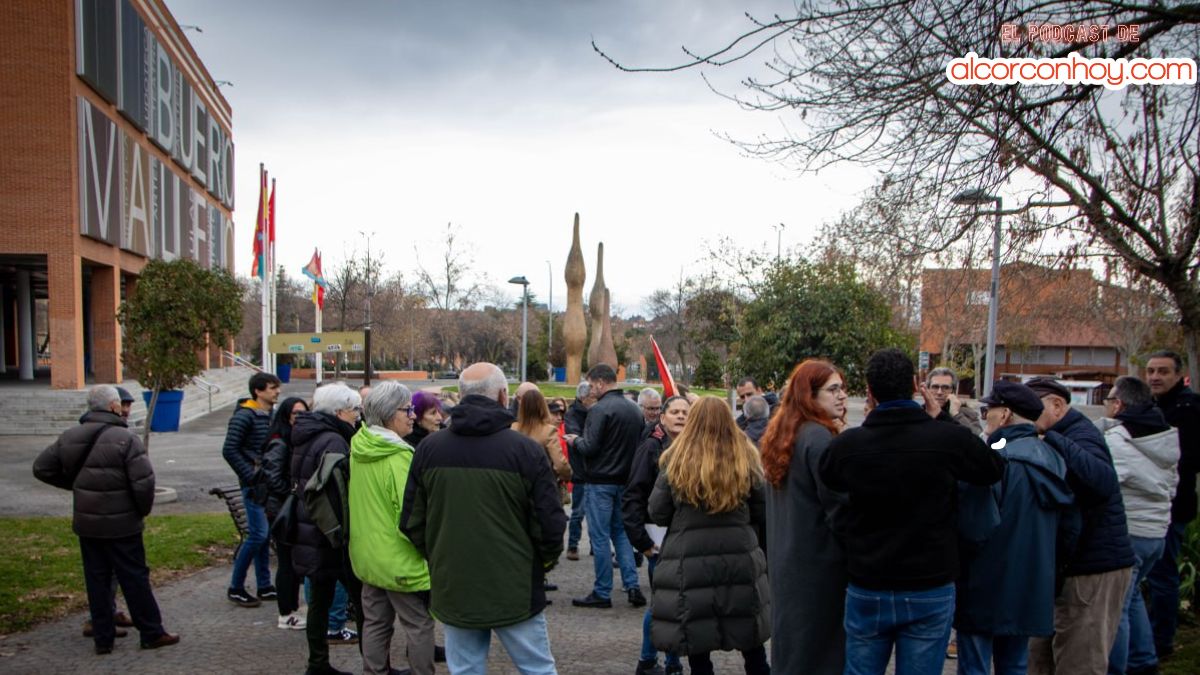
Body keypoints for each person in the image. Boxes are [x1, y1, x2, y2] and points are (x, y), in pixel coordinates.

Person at [819, 348, 1005, 675]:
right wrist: (942, 418)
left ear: (870, 392)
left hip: (869, 581)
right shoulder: (948, 439)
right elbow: (991, 468)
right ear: (917, 384)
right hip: (929, 584)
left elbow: (829, 480)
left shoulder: (847, 447)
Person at [400, 362, 566, 674]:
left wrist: (439, 557)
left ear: (461, 397)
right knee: (537, 668)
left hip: (455, 583)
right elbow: (550, 524)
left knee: (465, 669)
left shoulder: (429, 449)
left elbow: (411, 522)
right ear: (504, 396)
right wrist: (539, 562)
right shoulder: (525, 451)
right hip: (514, 585)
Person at [33, 385, 179, 655]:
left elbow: (42, 468)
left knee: (96, 579)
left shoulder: (70, 436)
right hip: (123, 524)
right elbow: (143, 483)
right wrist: (140, 510)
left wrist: (76, 485)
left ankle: (103, 637)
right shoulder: (126, 439)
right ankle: (151, 632)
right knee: (134, 577)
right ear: (113, 406)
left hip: (88, 524)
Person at [954, 381, 1073, 675]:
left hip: (985, 582)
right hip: (1031, 584)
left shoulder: (996, 456)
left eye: (988, 410)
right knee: (1016, 664)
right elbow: (1070, 526)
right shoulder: (1053, 458)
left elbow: (973, 524)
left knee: (975, 666)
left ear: (1005, 414)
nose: (985, 416)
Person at [649, 396, 771, 675]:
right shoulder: (747, 457)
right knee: (752, 644)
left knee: (697, 647)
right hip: (739, 558)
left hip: (689, 564)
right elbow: (763, 509)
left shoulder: (676, 459)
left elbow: (657, 512)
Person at [1026, 375, 1135, 675]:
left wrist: (1052, 438)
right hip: (1065, 568)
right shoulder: (1049, 434)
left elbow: (1102, 482)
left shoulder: (1080, 435)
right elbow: (994, 450)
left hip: (1092, 570)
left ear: (1057, 406)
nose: (1025, 419)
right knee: (1038, 659)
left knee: (1080, 662)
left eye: (1030, 411)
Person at [760, 359, 848, 675]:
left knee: (794, 654)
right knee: (817, 655)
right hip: (819, 568)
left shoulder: (784, 434)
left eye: (843, 388)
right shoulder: (819, 439)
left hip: (788, 563)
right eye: (833, 389)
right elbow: (841, 509)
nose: (842, 396)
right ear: (809, 395)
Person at [350, 382, 436, 675]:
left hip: (367, 554)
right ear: (388, 414)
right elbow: (410, 512)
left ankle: (373, 671)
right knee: (420, 624)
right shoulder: (398, 455)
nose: (413, 415)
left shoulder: (360, 446)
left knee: (375, 621)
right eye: (407, 410)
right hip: (399, 559)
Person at [1100, 375, 1180, 675]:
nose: (1107, 405)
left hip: (1130, 532)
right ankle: (1144, 660)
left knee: (1116, 607)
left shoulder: (1120, 441)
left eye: (1109, 399)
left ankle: (1117, 667)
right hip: (1157, 532)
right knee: (1132, 598)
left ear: (1118, 404)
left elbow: (1103, 483)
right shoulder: (1164, 437)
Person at [291, 383, 364, 675]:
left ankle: (317, 663)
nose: (358, 416)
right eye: (354, 409)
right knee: (363, 603)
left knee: (319, 603)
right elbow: (341, 495)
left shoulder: (306, 435)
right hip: (331, 534)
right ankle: (375, 664)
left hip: (309, 528)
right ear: (338, 412)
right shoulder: (334, 441)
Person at [565, 364, 646, 609]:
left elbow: (590, 447)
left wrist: (575, 440)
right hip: (624, 480)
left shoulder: (600, 410)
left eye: (591, 384)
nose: (590, 389)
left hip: (600, 481)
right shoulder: (634, 409)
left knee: (599, 538)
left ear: (600, 382)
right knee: (621, 534)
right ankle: (632, 585)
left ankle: (602, 591)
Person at [623, 395, 691, 675]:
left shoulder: (692, 447)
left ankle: (672, 662)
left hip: (685, 539)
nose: (680, 416)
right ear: (662, 417)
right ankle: (648, 660)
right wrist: (643, 543)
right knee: (662, 603)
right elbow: (633, 496)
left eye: (685, 412)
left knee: (678, 604)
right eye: (674, 411)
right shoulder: (651, 446)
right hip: (658, 541)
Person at [1143, 350, 1200, 661]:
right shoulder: (1152, 405)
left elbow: (1190, 457)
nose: (1154, 377)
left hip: (1172, 504)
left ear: (1179, 374)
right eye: (1151, 371)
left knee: (1163, 574)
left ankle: (1161, 639)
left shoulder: (1188, 408)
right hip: (1150, 501)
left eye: (1163, 371)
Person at [221, 372, 282, 608]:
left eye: (277, 387)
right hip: (254, 486)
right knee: (257, 534)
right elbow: (229, 450)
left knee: (264, 535)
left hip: (265, 484)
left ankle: (264, 585)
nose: (277, 391)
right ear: (258, 391)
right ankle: (236, 587)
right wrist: (250, 476)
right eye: (271, 388)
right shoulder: (245, 416)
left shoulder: (269, 414)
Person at [261, 396, 310, 630]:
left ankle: (292, 607)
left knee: (292, 560)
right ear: (286, 416)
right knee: (286, 561)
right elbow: (273, 476)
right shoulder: (279, 441)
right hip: (281, 510)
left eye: (304, 413)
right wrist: (292, 493)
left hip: (287, 506)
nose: (300, 418)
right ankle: (286, 612)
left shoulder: (295, 440)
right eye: (295, 414)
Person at [564, 381, 594, 561]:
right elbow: (574, 438)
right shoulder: (572, 414)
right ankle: (573, 545)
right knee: (578, 512)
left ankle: (595, 545)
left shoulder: (595, 412)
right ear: (583, 398)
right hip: (580, 470)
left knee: (595, 513)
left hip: (595, 470)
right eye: (592, 397)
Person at [926, 366, 982, 435]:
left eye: (945, 388)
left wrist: (956, 414)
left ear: (953, 391)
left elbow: (978, 438)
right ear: (928, 389)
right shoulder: (920, 412)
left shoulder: (967, 414)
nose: (939, 392)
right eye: (935, 387)